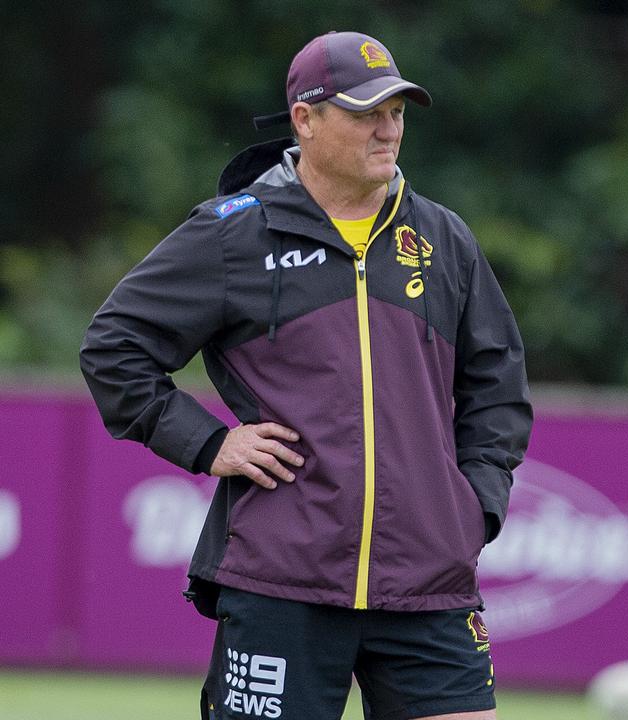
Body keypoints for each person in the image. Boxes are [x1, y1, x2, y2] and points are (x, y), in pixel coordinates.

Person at [80, 30, 532, 720]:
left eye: (399, 112)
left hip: (429, 582)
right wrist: (208, 444)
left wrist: (475, 504)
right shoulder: (234, 233)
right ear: (306, 118)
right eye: (366, 113)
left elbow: (497, 384)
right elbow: (114, 346)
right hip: (282, 578)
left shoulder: (443, 238)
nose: (389, 130)